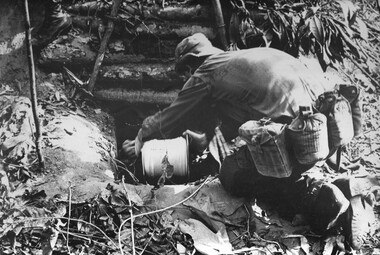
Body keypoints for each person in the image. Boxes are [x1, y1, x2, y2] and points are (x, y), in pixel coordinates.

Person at [122, 33, 379, 249]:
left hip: (296, 137)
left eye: (186, 71)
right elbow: (230, 124)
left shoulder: (205, 73)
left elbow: (170, 118)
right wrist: (201, 143)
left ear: (190, 65)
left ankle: (324, 203)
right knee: (268, 166)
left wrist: (139, 141)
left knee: (232, 174)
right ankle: (347, 188)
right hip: (324, 130)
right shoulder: (244, 59)